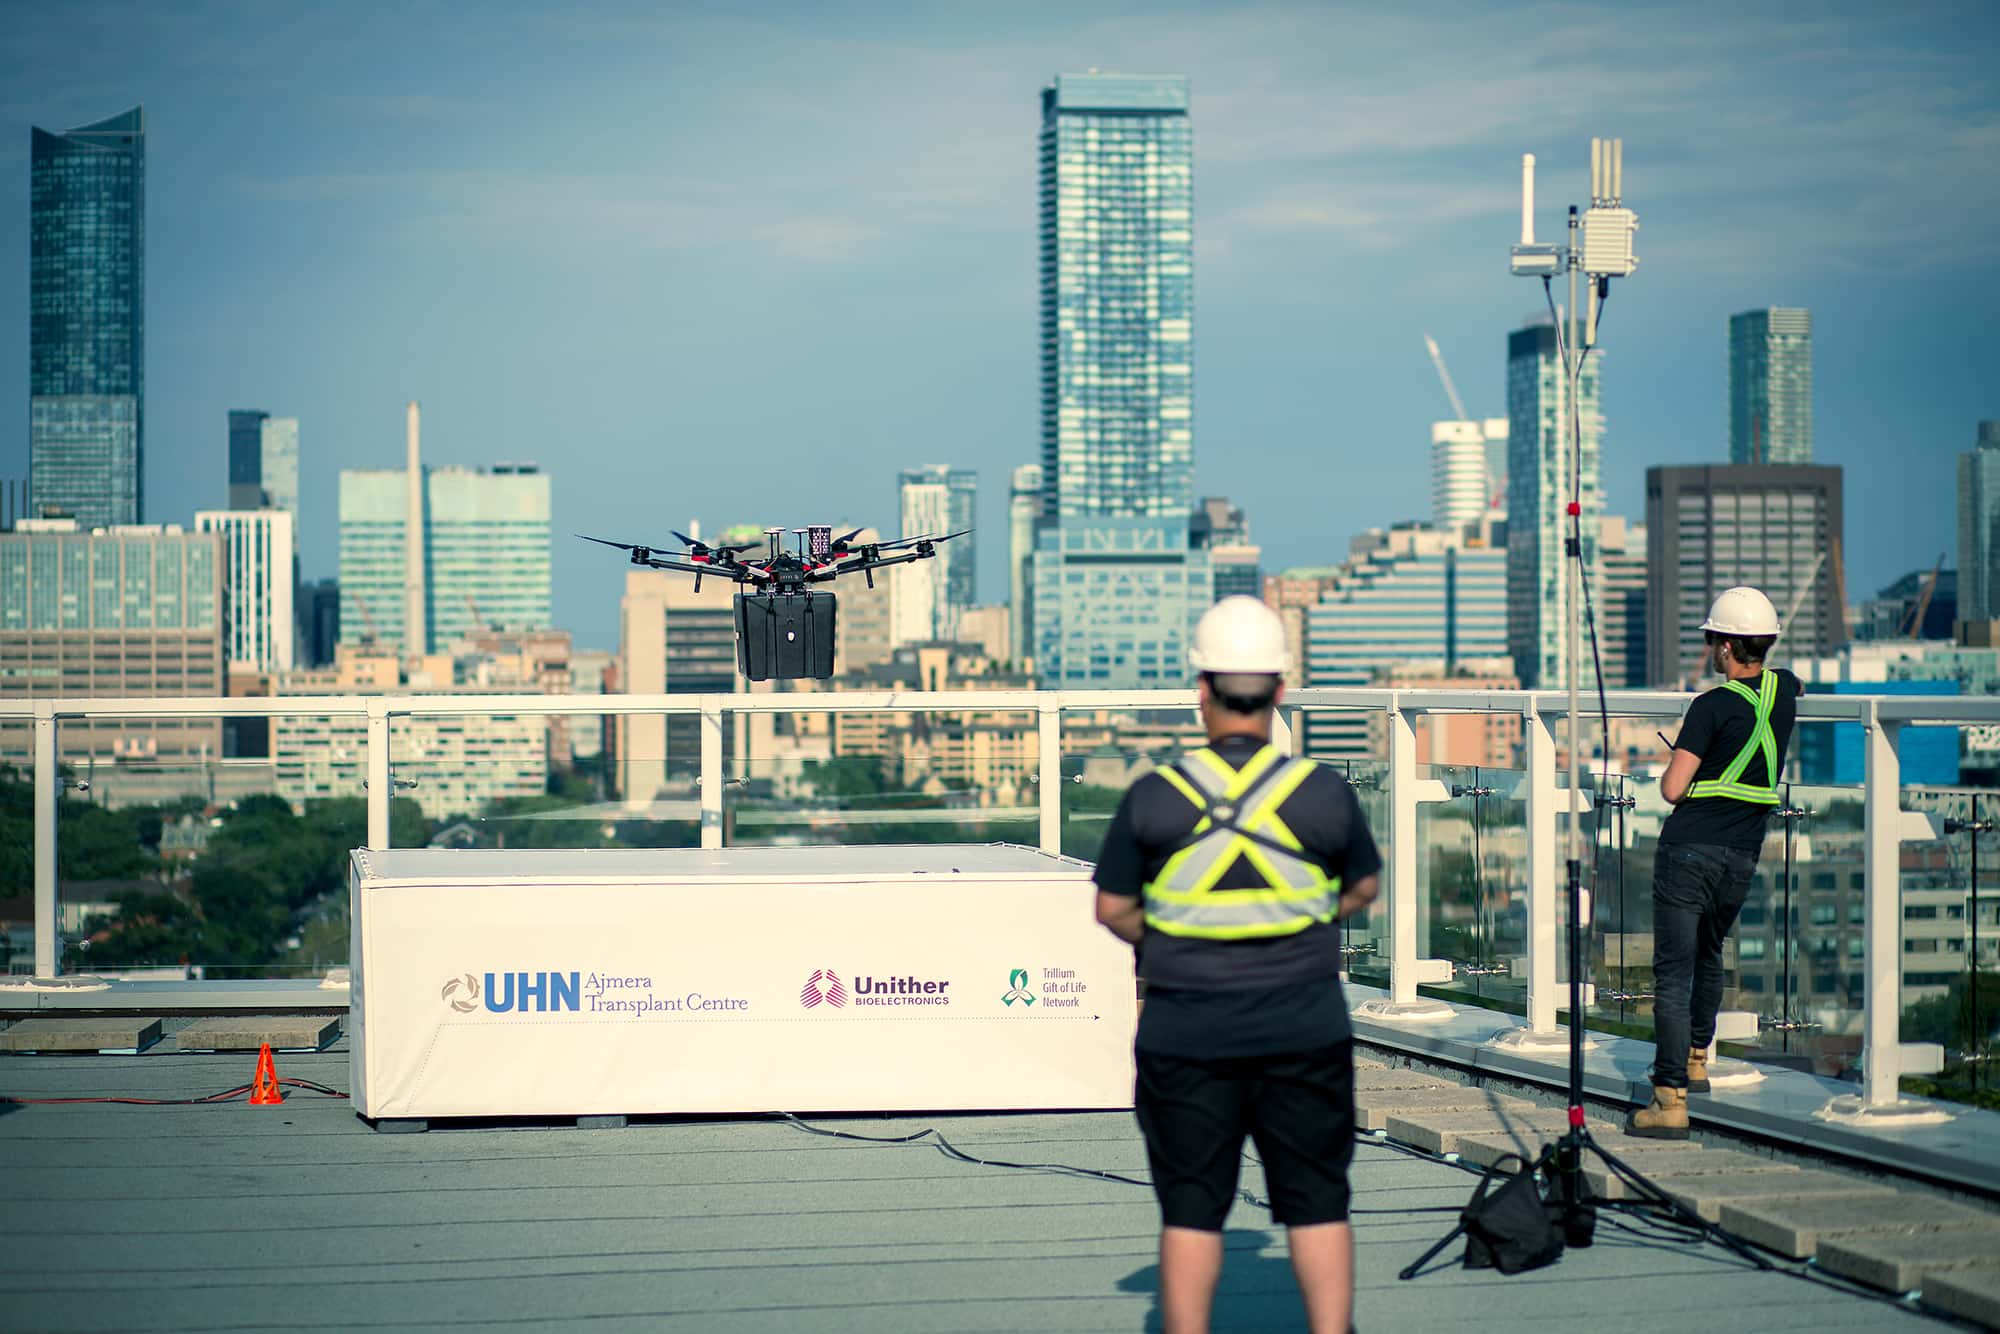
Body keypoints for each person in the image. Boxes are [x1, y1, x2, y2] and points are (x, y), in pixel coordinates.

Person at [1092, 596, 1381, 1334]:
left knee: (1192, 1206)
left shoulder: (1155, 797)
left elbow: (1112, 910)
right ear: (1279, 691)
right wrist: (1297, 924)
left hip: (1186, 1031)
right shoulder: (1322, 792)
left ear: (1202, 691)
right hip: (1304, 1024)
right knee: (1318, 1200)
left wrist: (1174, 940)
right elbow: (1361, 887)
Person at [1630, 586, 1803, 1140]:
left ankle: (1669, 1097)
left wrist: (1680, 759)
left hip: (1689, 851)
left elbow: (1673, 788)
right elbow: (1790, 682)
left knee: (1673, 973)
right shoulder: (1784, 695)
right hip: (1742, 855)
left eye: (1712, 641)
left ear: (1727, 647)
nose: (1709, 650)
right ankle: (1698, 1062)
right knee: (1710, 955)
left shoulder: (1709, 706)